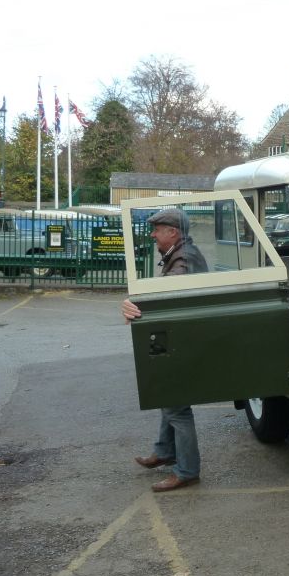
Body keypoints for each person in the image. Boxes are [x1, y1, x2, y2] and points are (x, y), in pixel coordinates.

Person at [121, 208, 209, 492]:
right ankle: (165, 451)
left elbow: (171, 300)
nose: (152, 234)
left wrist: (138, 307)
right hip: (182, 339)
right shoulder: (181, 254)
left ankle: (187, 471)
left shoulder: (183, 259)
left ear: (173, 232)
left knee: (177, 407)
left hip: (182, 342)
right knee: (169, 398)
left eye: (157, 229)